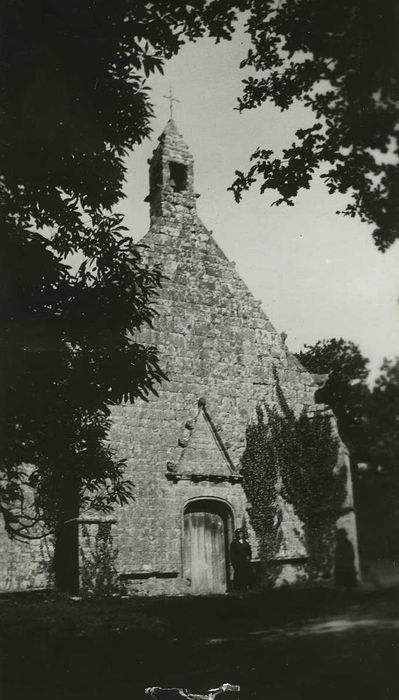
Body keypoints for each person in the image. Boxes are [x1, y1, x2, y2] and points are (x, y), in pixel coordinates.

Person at [229, 528, 252, 595]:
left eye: (241, 533)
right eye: (239, 534)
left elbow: (249, 551)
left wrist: (249, 557)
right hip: (238, 563)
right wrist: (234, 563)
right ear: (236, 535)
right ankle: (239, 591)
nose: (240, 535)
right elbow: (232, 554)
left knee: (246, 576)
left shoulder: (245, 542)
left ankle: (246, 590)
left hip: (245, 563)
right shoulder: (234, 543)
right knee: (239, 577)